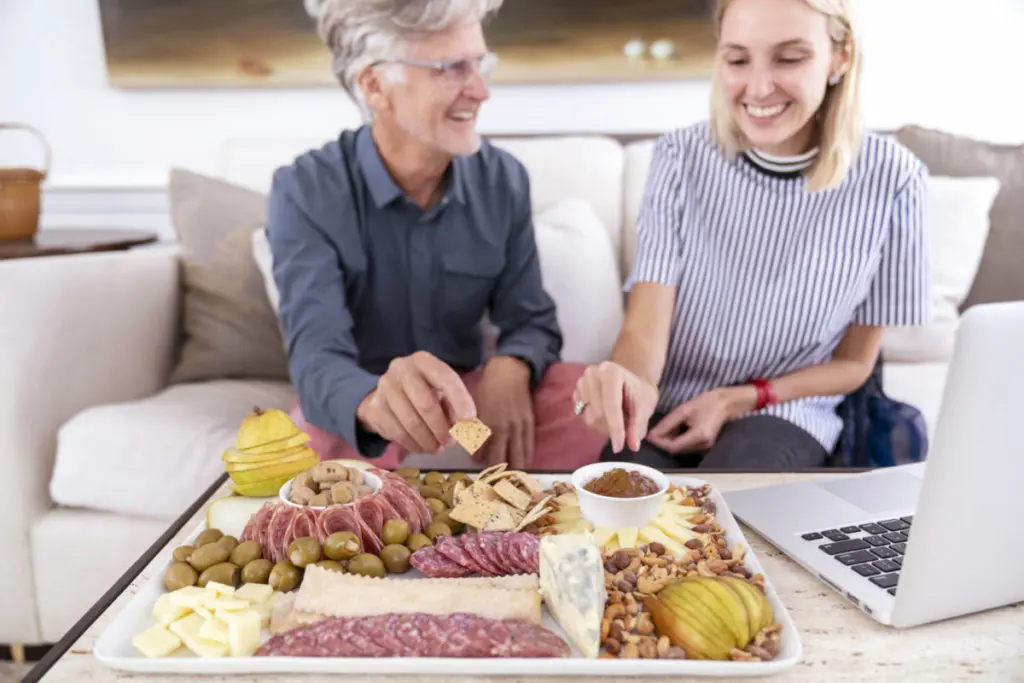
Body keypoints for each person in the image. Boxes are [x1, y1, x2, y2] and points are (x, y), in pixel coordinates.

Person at [573, 0, 931, 471]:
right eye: (738, 59)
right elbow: (644, 331)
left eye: (790, 57)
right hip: (670, 406)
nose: (759, 87)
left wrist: (741, 398)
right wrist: (629, 384)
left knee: (733, 505)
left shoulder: (896, 179)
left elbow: (854, 366)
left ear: (840, 58)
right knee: (614, 499)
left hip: (786, 409)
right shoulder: (679, 159)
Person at [265, 0, 606, 471]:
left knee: (587, 403)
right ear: (375, 85)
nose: (480, 90)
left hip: (467, 413)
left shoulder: (502, 180)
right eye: (451, 68)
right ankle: (420, 519)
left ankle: (493, 515)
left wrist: (510, 369)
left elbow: (530, 320)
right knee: (309, 445)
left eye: (480, 64)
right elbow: (317, 356)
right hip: (372, 412)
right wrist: (373, 406)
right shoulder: (305, 190)